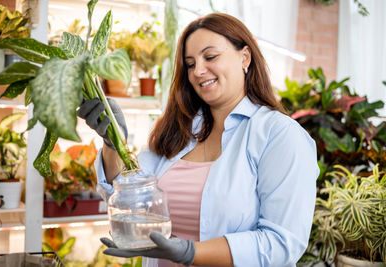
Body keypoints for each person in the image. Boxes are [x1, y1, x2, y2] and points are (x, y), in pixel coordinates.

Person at [78, 12, 319, 267]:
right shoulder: (176, 132)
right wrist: (113, 145)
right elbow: (128, 198)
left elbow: (282, 243)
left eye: (210, 57)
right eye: (190, 64)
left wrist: (191, 252)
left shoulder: (279, 135)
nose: (198, 71)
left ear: (244, 57)